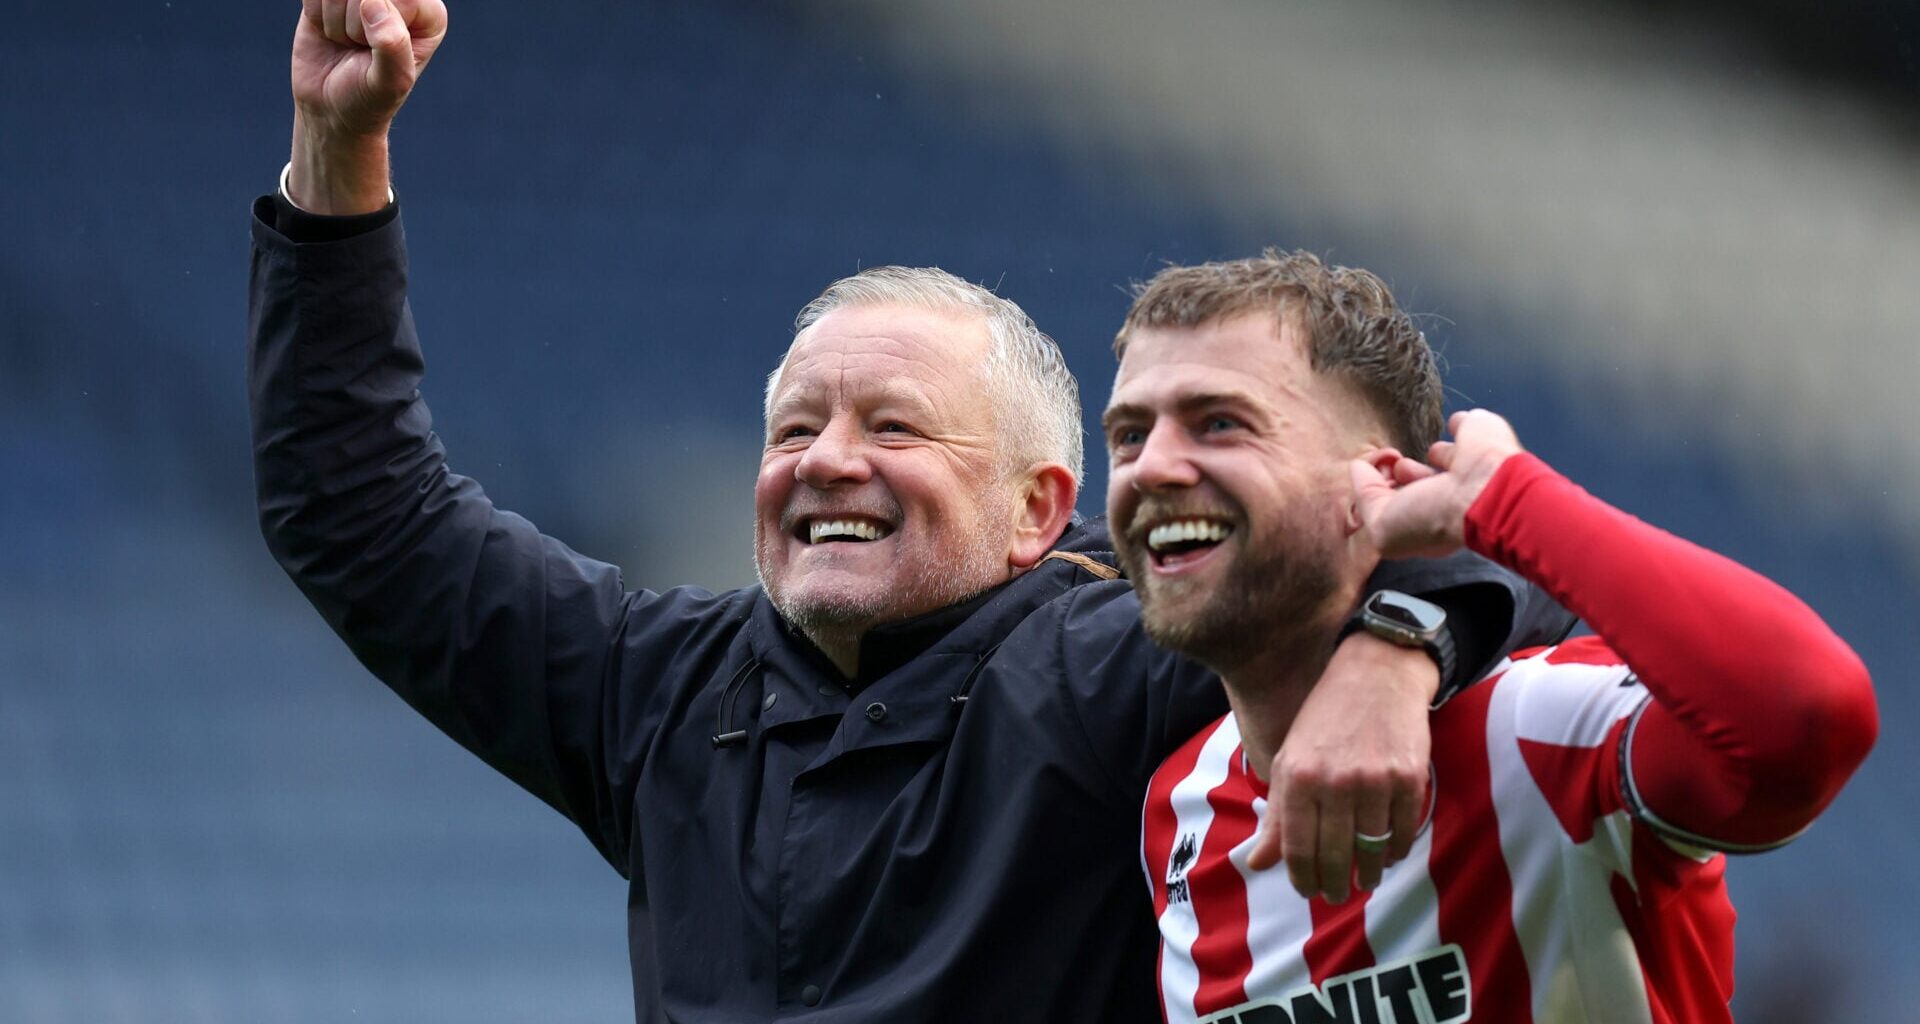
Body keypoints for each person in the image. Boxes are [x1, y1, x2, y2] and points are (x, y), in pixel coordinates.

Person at [251, 2, 1572, 1019]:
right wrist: (338, 146)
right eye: (794, 428)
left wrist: (1395, 648)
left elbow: (1527, 579)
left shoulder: (1115, 660)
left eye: (894, 427)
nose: (827, 461)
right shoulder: (654, 691)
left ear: (1039, 511)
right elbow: (359, 512)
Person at [1115, 251, 1878, 1023]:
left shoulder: (1543, 730)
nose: (1151, 467)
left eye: (1219, 423)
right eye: (1128, 435)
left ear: (1374, 482)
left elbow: (1809, 712)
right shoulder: (1179, 806)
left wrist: (1506, 503)